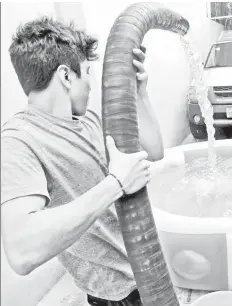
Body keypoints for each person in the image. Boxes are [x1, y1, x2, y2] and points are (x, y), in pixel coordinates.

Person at [1, 17, 162, 306]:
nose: (90, 84)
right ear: (66, 76)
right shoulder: (18, 141)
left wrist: (140, 94)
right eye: (86, 72)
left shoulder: (88, 119)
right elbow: (21, 251)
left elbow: (153, 151)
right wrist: (115, 184)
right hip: (114, 295)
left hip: (149, 267)